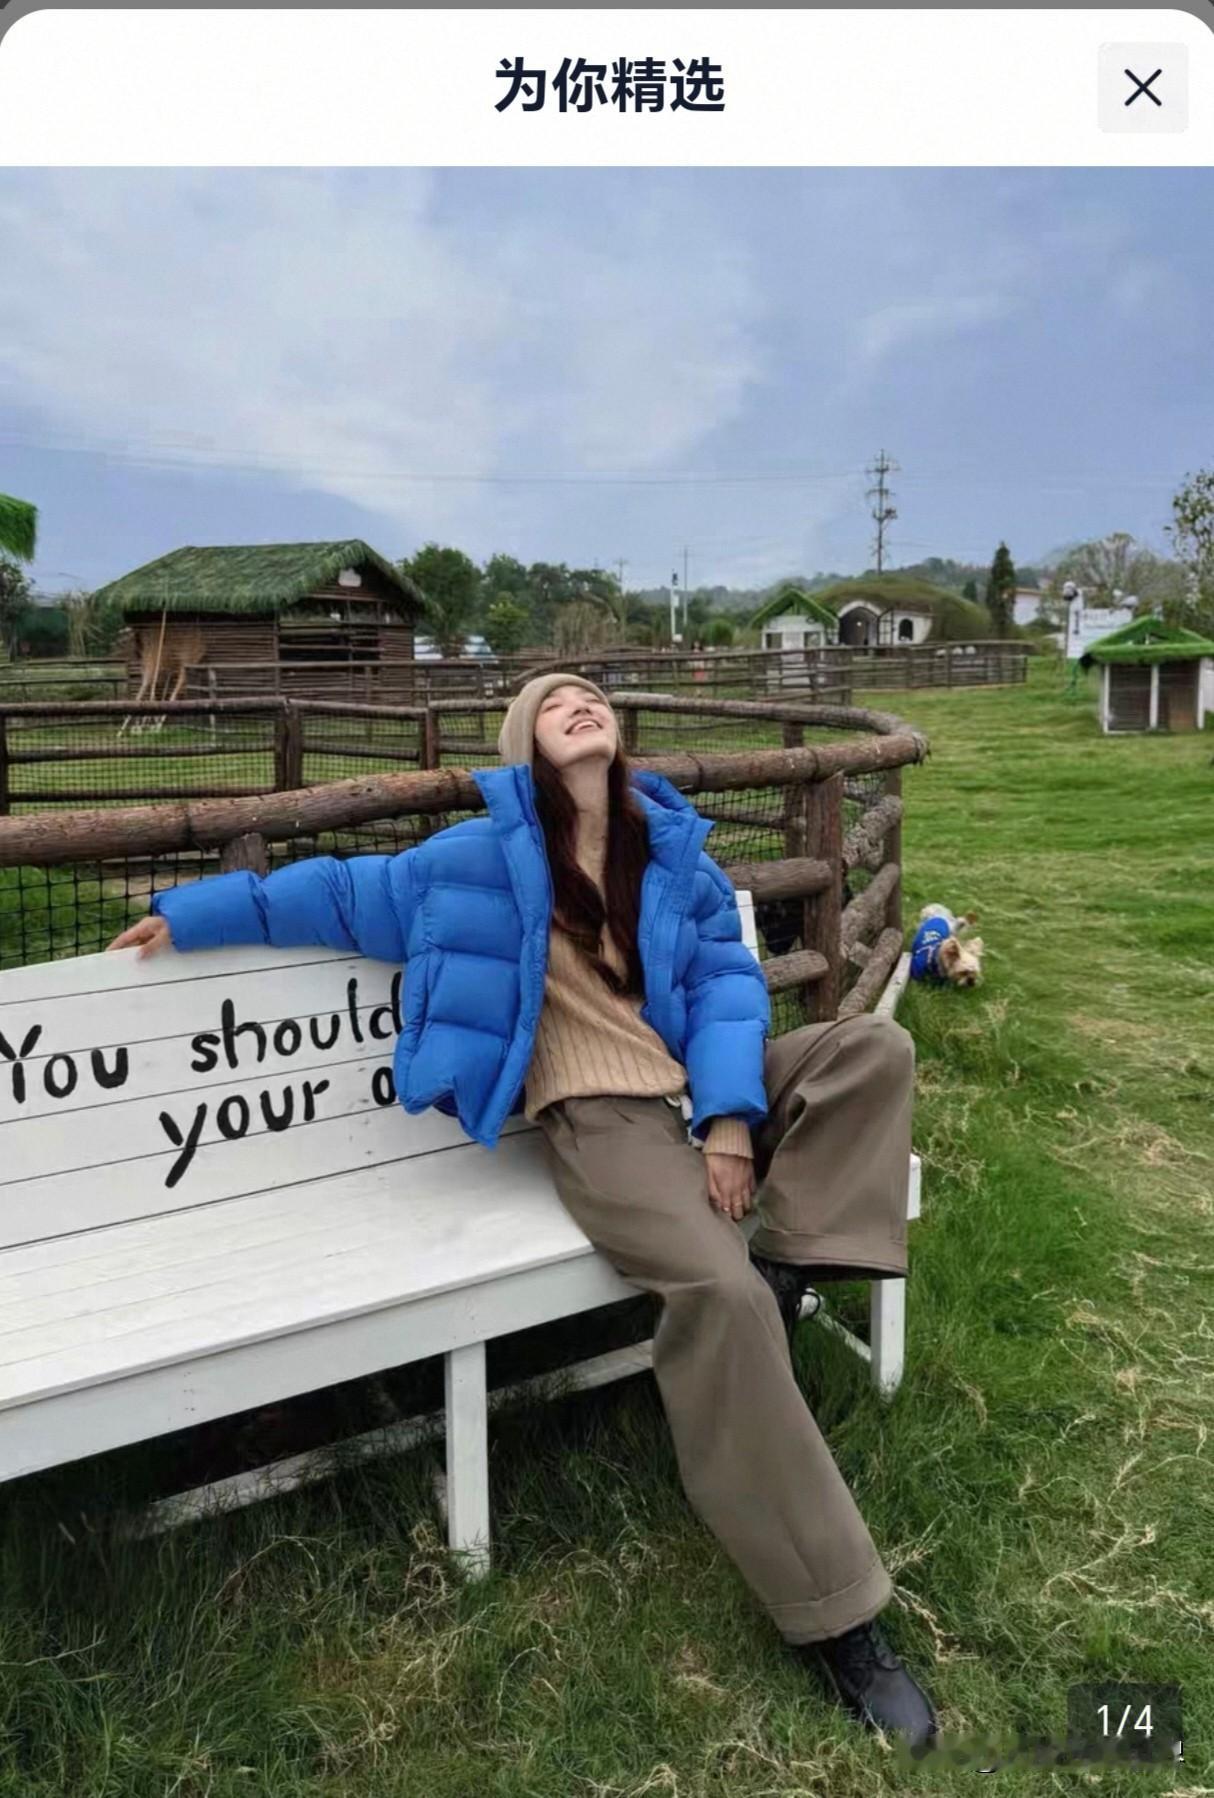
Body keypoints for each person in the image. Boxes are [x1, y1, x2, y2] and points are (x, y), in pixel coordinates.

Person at [108, 671, 937, 1746]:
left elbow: (728, 986)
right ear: (526, 742)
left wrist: (730, 1116)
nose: (581, 704)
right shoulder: (470, 861)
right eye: (555, 702)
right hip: (605, 1122)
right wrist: (185, 914)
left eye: (593, 694)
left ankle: (788, 1268)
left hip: (697, 1088)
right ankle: (837, 1620)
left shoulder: (670, 848)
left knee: (870, 1049)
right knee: (719, 1298)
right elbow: (335, 894)